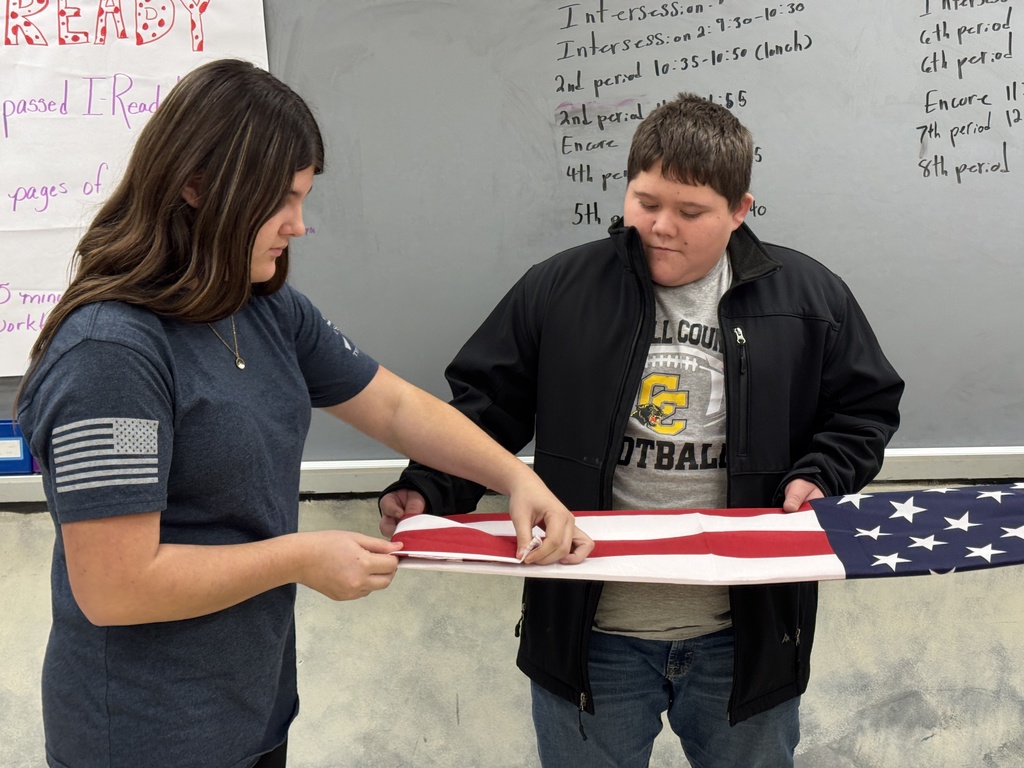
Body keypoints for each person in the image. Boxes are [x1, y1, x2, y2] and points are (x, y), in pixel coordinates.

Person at [14, 58, 592, 768]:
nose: (300, 226)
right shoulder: (111, 353)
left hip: (250, 711)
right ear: (197, 186)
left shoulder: (262, 307)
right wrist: (301, 557)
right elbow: (114, 588)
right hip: (145, 736)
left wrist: (515, 477)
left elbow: (393, 405)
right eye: (282, 201)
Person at [379, 93, 904, 767]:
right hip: (589, 634)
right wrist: (430, 484)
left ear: (741, 209)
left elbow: (866, 407)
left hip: (744, 638)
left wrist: (822, 473)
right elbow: (486, 410)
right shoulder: (559, 290)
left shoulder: (808, 298)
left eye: (690, 212)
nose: (661, 226)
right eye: (646, 201)